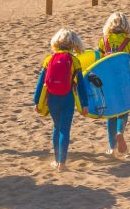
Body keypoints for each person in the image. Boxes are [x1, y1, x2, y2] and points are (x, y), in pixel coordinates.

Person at [33, 29, 89, 171]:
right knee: (65, 129)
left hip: (52, 99)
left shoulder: (48, 59)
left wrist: (36, 101)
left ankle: (57, 160)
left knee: (57, 127)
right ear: (73, 44)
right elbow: (81, 85)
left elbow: (40, 83)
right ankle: (62, 164)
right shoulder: (74, 61)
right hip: (67, 98)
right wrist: (85, 104)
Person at [98, 12, 130, 157]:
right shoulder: (129, 42)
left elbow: (98, 63)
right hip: (125, 82)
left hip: (108, 82)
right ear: (126, 25)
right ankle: (120, 132)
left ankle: (112, 147)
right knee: (124, 110)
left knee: (111, 114)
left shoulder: (103, 41)